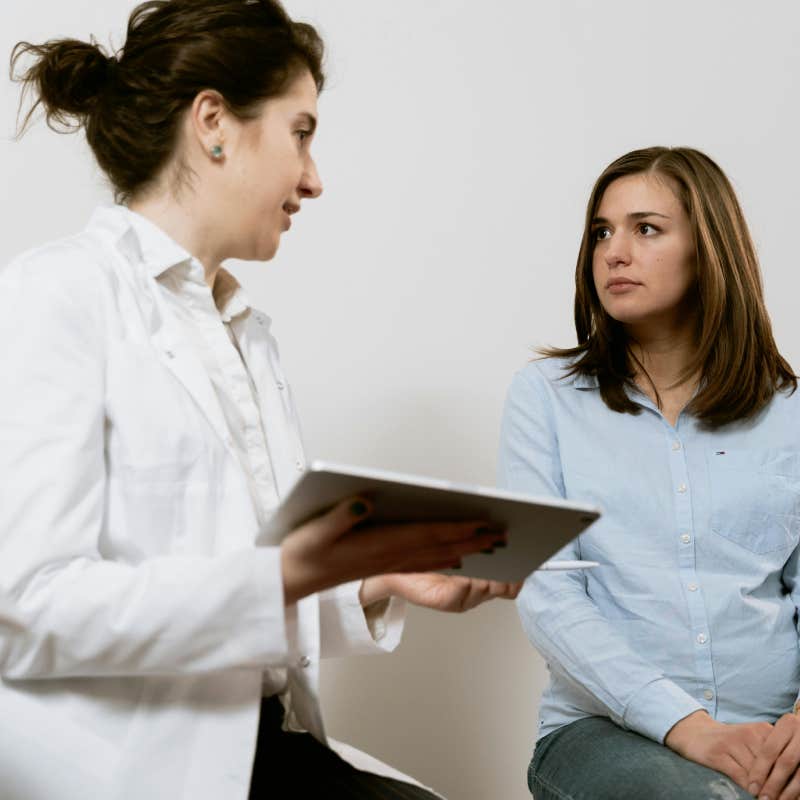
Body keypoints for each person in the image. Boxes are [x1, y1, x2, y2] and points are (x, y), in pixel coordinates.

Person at [0, 2, 518, 798]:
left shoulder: (244, 332)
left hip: (263, 746)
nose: (314, 177)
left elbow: (243, 594)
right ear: (214, 122)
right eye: (300, 132)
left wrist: (380, 578)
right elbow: (27, 606)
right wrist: (283, 573)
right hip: (134, 768)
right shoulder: (55, 295)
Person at [497, 146, 800, 800]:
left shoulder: (789, 413)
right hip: (605, 735)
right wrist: (691, 728)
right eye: (602, 232)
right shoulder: (545, 398)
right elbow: (547, 596)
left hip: (779, 732)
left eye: (646, 228)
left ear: (709, 248)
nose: (614, 251)